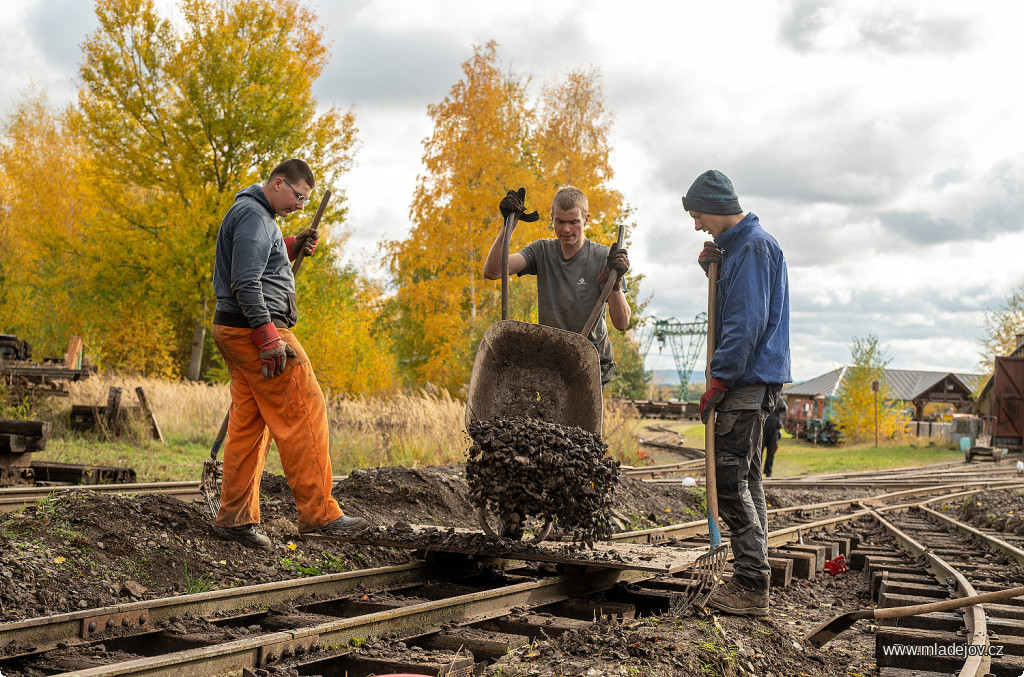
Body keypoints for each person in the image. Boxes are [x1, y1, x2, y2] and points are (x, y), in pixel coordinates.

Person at [210, 158, 367, 549]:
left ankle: (234, 518)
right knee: (304, 409)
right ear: (278, 183)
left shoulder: (257, 216)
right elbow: (245, 281)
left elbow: (259, 259)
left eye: (305, 200)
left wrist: (292, 245)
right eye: (298, 197)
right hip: (255, 330)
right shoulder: (254, 217)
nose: (300, 205)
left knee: (248, 423)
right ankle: (320, 514)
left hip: (233, 328)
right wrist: (267, 337)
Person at [684, 169, 790, 616]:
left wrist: (719, 380)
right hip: (754, 380)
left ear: (715, 206)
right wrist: (717, 264)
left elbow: (744, 324)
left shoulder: (753, 246)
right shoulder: (741, 248)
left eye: (698, 215)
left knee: (728, 480)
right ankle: (755, 575)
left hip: (745, 381)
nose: (697, 225)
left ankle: (750, 584)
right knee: (748, 479)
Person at [482, 186, 630, 385]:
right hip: (553, 358)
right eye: (559, 221)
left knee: (579, 415)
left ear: (586, 219)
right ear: (552, 217)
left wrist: (615, 284)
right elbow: (492, 271)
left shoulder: (604, 257)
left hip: (591, 360)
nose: (566, 229)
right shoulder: (542, 251)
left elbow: (622, 323)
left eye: (573, 222)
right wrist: (510, 223)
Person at [762, 398, 787, 478]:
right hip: (762, 427)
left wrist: (778, 400)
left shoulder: (778, 397)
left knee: (771, 452)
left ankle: (768, 472)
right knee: (758, 452)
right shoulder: (762, 394)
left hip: (774, 428)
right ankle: (755, 473)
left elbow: (784, 408)